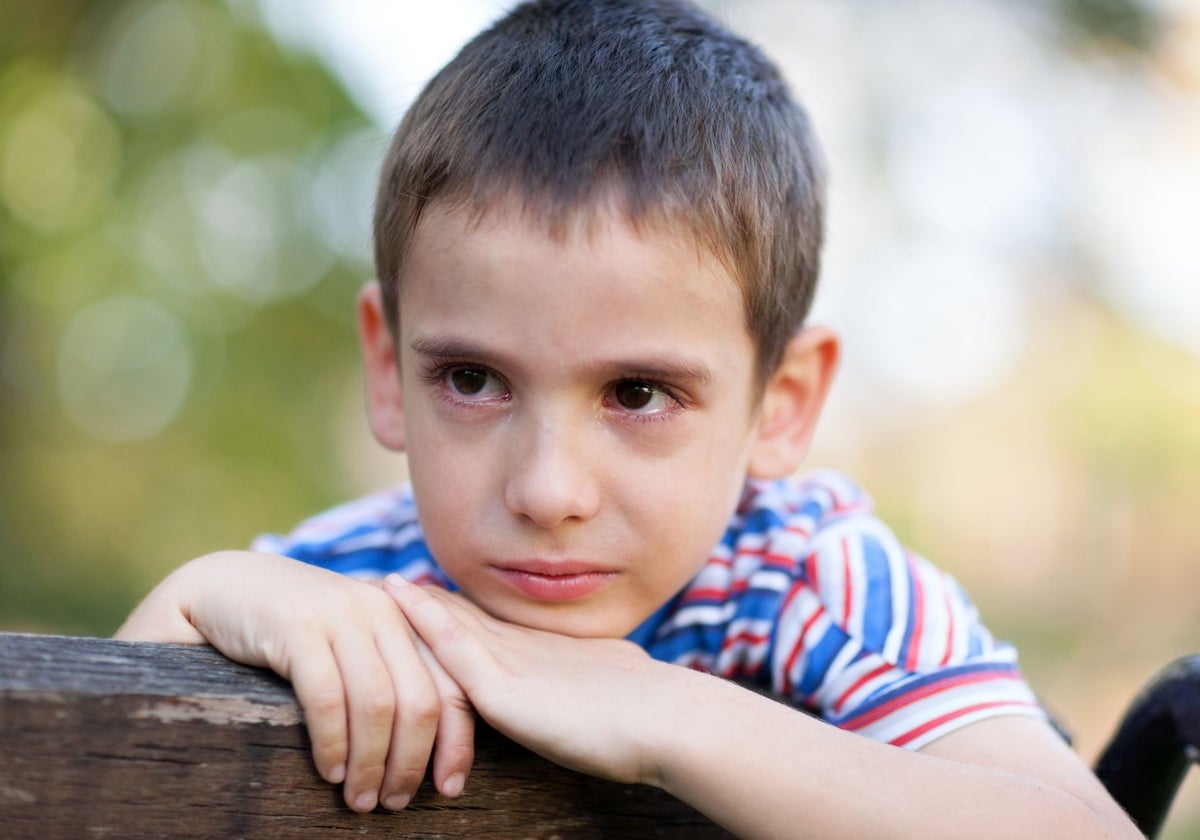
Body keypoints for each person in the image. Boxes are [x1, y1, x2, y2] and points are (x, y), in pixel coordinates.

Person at [115, 1, 1140, 836]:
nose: (548, 490)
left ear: (780, 406)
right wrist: (200, 595)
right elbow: (80, 783)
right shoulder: (348, 590)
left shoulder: (810, 582)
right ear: (388, 368)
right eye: (473, 380)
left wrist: (661, 712)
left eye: (639, 394)